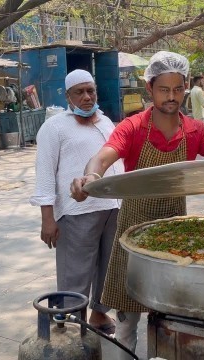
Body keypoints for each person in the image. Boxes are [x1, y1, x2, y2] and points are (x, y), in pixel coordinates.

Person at [70, 51, 204, 354]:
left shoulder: (196, 130)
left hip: (176, 234)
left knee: (174, 321)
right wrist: (90, 176)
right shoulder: (133, 127)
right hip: (132, 235)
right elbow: (104, 156)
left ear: (186, 87)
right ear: (150, 89)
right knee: (126, 324)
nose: (171, 97)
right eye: (164, 89)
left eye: (178, 89)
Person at [30, 69, 123, 335]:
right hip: (76, 211)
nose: (86, 97)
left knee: (108, 267)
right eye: (79, 92)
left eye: (90, 90)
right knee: (76, 270)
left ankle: (98, 315)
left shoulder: (106, 122)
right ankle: (68, 320)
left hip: (112, 208)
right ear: (68, 96)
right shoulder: (55, 127)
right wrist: (47, 219)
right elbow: (45, 174)